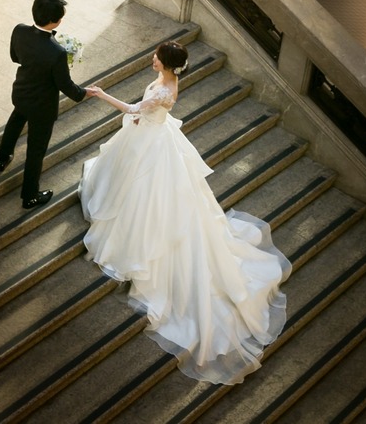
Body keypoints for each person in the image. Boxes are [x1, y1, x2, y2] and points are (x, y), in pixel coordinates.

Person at [82, 41, 290, 385]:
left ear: (166, 64)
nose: (152, 59)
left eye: (156, 57)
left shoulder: (164, 89)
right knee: (139, 187)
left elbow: (132, 108)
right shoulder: (169, 80)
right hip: (154, 137)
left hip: (152, 144)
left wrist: (101, 94)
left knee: (149, 195)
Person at [0, 0, 92, 209]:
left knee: (15, 121)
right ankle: (29, 196)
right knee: (35, 151)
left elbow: (15, 57)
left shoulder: (19, 30)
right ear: (55, 21)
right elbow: (65, 85)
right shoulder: (57, 52)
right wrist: (84, 92)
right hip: (42, 106)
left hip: (21, 92)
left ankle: (2, 158)